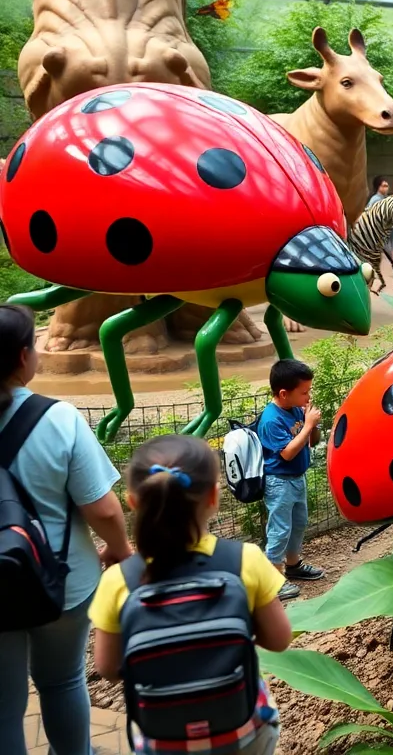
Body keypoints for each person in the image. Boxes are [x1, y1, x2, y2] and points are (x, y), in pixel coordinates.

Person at [89, 435, 292, 754]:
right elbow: (279, 639)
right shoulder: (245, 560)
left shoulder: (118, 581)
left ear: (133, 502)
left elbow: (108, 668)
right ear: (213, 497)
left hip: (162, 740)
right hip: (242, 734)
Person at [0, 304, 132, 755]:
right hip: (62, 582)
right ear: (23, 358)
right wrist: (121, 550)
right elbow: (103, 509)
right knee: (62, 680)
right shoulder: (58, 418)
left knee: (3, 704)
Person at [258, 359, 325, 601]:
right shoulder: (271, 419)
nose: (308, 396)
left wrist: (311, 424)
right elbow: (286, 453)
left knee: (299, 524)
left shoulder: (296, 409)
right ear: (284, 393)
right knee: (280, 530)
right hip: (279, 482)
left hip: (297, 478)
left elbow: (311, 441)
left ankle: (293, 565)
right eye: (304, 392)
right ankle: (271, 579)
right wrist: (308, 425)